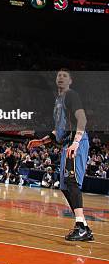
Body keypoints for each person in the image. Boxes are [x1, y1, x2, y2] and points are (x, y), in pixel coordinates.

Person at [28, 68, 93, 241]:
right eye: (59, 75)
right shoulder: (58, 100)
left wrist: (76, 142)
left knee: (71, 182)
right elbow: (59, 129)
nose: (61, 77)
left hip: (75, 143)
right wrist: (41, 142)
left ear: (70, 81)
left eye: (65, 76)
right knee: (64, 186)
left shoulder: (72, 95)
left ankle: (80, 226)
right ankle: (84, 226)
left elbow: (82, 119)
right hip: (66, 144)